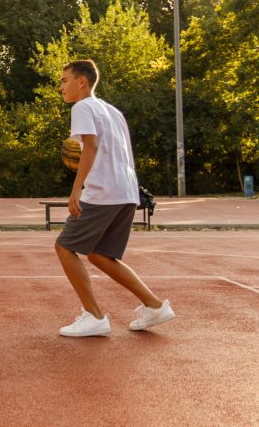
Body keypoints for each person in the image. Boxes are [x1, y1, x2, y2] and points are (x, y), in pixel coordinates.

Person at [55, 59, 175, 337]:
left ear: (81, 81)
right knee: (100, 254)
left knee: (64, 247)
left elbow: (91, 146)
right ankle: (154, 306)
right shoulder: (112, 111)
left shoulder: (82, 107)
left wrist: (76, 189)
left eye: (64, 80)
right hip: (126, 191)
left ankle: (94, 316)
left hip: (103, 191)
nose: (61, 87)